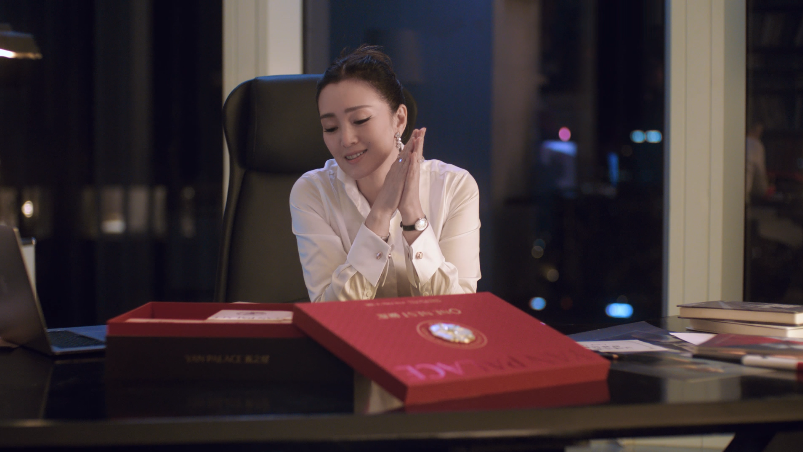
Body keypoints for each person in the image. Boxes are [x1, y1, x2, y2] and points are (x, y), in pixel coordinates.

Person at [289, 45, 480, 302]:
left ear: (399, 119)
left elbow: (460, 308)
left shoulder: (454, 187)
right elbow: (329, 309)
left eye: (360, 120)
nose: (345, 140)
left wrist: (413, 216)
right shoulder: (312, 192)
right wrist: (380, 214)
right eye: (331, 127)